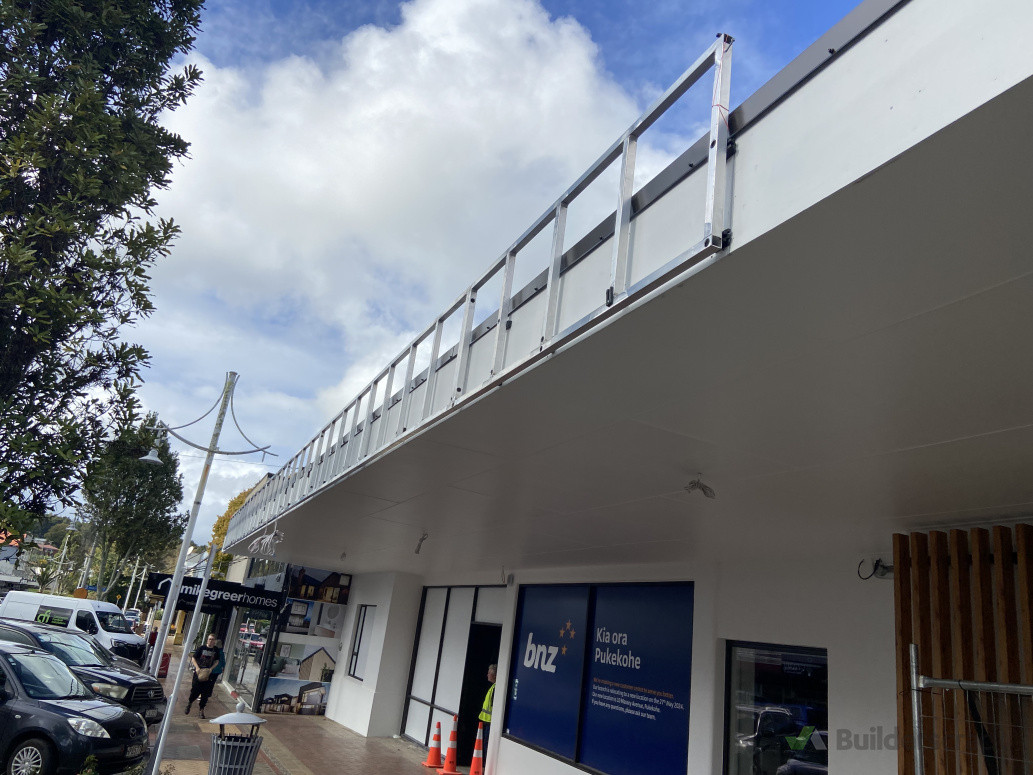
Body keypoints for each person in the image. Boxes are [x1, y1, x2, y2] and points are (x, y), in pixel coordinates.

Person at [185, 634, 223, 719]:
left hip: (208, 674)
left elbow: (217, 661)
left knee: (205, 693)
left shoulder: (215, 650)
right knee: (195, 690)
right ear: (207, 640)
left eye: (212, 639)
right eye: (209, 639)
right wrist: (197, 668)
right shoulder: (201, 648)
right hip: (199, 672)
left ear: (215, 641)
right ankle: (190, 703)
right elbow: (193, 658)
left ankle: (201, 710)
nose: (210, 641)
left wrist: (211, 669)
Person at [478, 663, 496, 753]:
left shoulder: (496, 688)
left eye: (489, 673)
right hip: (487, 721)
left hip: (491, 722)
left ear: (495, 675)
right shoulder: (493, 687)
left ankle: (486, 765)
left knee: (486, 744)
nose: (487, 675)